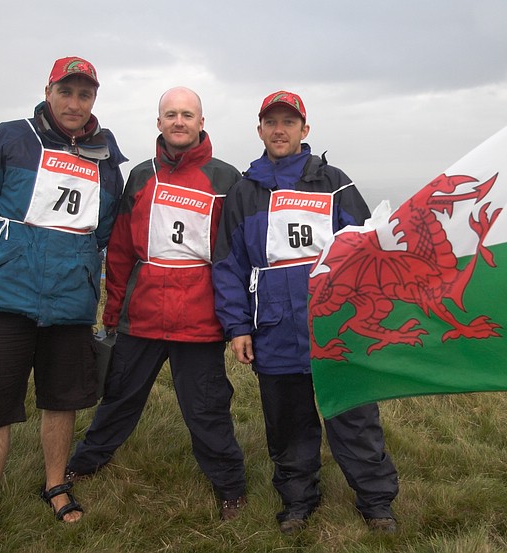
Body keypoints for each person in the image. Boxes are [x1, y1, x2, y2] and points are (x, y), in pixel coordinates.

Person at [0, 56, 127, 545]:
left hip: (71, 300)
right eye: (66, 92)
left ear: (94, 99)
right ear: (48, 91)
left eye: (85, 95)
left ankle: (56, 484)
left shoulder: (106, 157)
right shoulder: (11, 138)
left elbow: (106, 226)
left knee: (63, 398)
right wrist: (3, 253)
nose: (74, 103)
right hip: (4, 297)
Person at [212, 91, 399, 534]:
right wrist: (237, 326)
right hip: (274, 330)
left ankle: (376, 503)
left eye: (289, 122)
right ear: (259, 130)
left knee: (354, 419)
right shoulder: (244, 192)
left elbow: (366, 248)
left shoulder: (334, 182)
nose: (280, 130)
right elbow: (228, 265)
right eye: (271, 122)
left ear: (304, 130)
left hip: (336, 326)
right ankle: (297, 502)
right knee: (289, 425)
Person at [66, 86, 247, 520]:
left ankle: (230, 488)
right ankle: (83, 465)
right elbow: (123, 249)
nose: (178, 121)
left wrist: (234, 319)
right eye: (170, 114)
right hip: (142, 317)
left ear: (201, 122)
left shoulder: (227, 178)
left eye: (187, 114)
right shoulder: (141, 176)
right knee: (119, 397)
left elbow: (235, 255)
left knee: (205, 409)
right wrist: (113, 313)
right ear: (159, 122)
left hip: (199, 321)